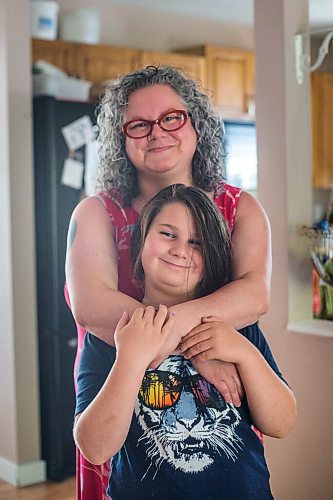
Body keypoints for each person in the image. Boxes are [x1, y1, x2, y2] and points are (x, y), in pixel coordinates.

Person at [65, 65, 272, 499]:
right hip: (116, 392)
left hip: (211, 405)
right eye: (138, 125)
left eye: (172, 118)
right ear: (122, 141)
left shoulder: (241, 209)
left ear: (196, 126)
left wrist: (197, 352)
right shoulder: (96, 213)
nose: (156, 133)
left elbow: (253, 296)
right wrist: (199, 352)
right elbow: (92, 307)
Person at [73, 184, 296, 500]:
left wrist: (244, 353)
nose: (181, 249)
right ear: (139, 246)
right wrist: (131, 359)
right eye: (167, 234)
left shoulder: (238, 330)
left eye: (197, 242)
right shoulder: (112, 335)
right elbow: (94, 448)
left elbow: (282, 423)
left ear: (213, 258)